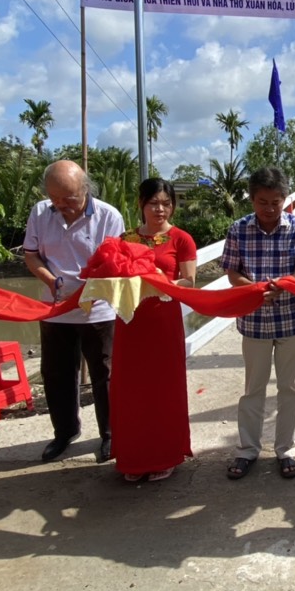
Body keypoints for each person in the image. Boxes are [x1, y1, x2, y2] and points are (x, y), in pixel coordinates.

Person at [23, 160, 124, 463]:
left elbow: (115, 265)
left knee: (104, 373)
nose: (62, 206)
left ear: (86, 189)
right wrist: (51, 281)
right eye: (55, 199)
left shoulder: (108, 217)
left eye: (69, 199)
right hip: (55, 307)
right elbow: (31, 256)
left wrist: (91, 291)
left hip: (98, 308)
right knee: (56, 373)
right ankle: (64, 432)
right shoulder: (41, 213)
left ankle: (110, 434)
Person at [221, 167, 295, 480]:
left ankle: (286, 450)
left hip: (290, 319)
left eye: (276, 201)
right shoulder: (239, 229)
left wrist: (284, 284)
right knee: (253, 389)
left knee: (290, 388)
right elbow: (232, 271)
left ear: (284, 199)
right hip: (253, 321)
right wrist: (253, 288)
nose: (270, 208)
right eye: (263, 201)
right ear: (251, 199)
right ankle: (248, 450)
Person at [109, 179, 197, 483]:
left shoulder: (181, 239)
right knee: (131, 389)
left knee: (163, 388)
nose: (159, 209)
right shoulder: (125, 238)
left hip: (163, 321)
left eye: (165, 203)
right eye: (153, 203)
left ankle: (164, 455)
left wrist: (161, 281)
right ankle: (134, 458)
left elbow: (189, 281)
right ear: (141, 204)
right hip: (131, 321)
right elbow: (114, 275)